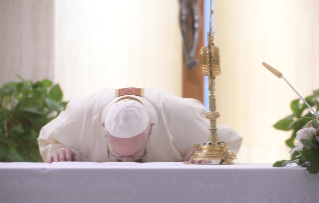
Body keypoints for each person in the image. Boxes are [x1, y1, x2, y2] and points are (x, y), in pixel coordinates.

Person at [38, 87, 242, 163]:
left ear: (151, 129)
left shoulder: (182, 114)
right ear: (103, 128)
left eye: (135, 154)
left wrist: (205, 153)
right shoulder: (81, 113)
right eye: (118, 155)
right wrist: (61, 151)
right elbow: (48, 139)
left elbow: (229, 140)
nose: (127, 164)